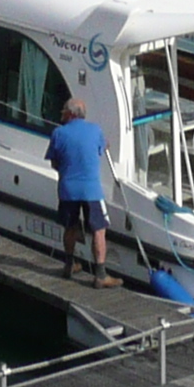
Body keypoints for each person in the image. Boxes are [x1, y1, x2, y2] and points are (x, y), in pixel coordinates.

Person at [46, 95, 112, 286]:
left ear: (70, 114)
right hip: (91, 189)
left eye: (63, 112)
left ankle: (69, 265)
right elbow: (102, 148)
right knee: (99, 231)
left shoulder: (58, 133)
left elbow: (54, 162)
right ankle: (100, 275)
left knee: (70, 227)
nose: (61, 115)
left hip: (68, 188)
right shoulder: (96, 130)